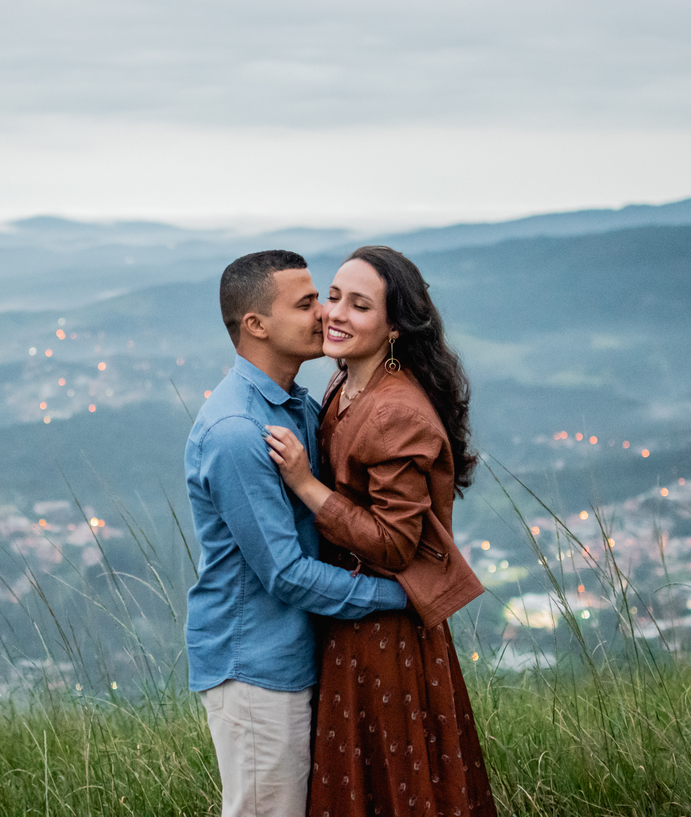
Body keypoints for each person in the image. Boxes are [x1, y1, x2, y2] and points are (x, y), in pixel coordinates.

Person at [265, 246, 498, 816]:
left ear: (393, 327)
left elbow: (395, 543)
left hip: (385, 640)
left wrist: (305, 484)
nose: (336, 314)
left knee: (393, 787)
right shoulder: (346, 387)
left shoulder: (397, 411)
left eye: (360, 305)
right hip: (355, 625)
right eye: (333, 297)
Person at [185, 249, 411, 817]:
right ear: (256, 326)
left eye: (324, 299)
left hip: (294, 653)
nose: (324, 314)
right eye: (307, 302)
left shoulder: (296, 406)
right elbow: (285, 573)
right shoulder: (240, 431)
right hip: (256, 663)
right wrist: (400, 597)